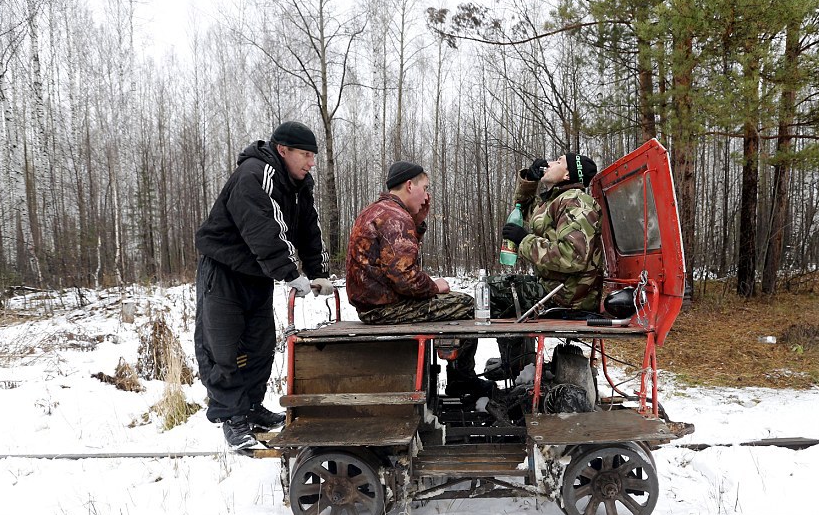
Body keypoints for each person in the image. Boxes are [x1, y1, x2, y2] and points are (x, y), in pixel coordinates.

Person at [194, 120, 334, 451]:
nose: (311, 162)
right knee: (224, 347)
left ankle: (252, 407)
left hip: (256, 274)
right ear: (282, 150)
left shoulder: (299, 185)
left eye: (313, 156)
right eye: (305, 154)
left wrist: (317, 272)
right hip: (224, 271)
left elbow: (307, 230)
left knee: (258, 346)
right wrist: (289, 273)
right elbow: (264, 228)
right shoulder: (255, 175)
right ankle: (232, 417)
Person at [345, 161, 494, 398]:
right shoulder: (395, 218)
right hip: (385, 308)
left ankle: (454, 373)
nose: (426, 195)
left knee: (454, 302)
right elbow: (404, 277)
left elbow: (396, 259)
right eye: (424, 188)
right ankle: (462, 380)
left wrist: (417, 222)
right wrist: (435, 286)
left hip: (373, 303)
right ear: (409, 185)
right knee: (467, 304)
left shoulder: (378, 211)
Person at [501, 153, 604, 312]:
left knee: (489, 294)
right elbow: (523, 209)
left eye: (558, 161)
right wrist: (530, 179)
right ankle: (513, 336)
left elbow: (572, 257)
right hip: (554, 288)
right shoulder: (556, 200)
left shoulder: (576, 201)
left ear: (568, 174)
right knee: (493, 290)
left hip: (568, 297)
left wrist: (523, 240)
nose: (548, 164)